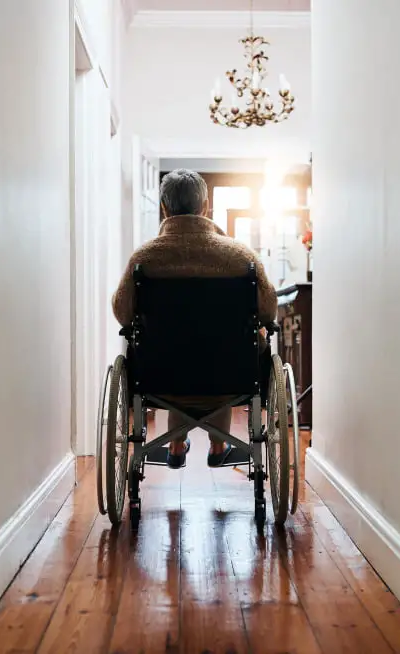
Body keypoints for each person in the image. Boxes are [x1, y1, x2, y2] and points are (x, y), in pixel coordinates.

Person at [111, 169, 278, 469]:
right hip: (231, 376)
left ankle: (175, 443)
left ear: (164, 207)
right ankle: (218, 444)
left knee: (175, 350)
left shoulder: (144, 260)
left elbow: (123, 313)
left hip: (161, 376)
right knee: (228, 348)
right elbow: (268, 311)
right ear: (205, 205)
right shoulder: (242, 258)